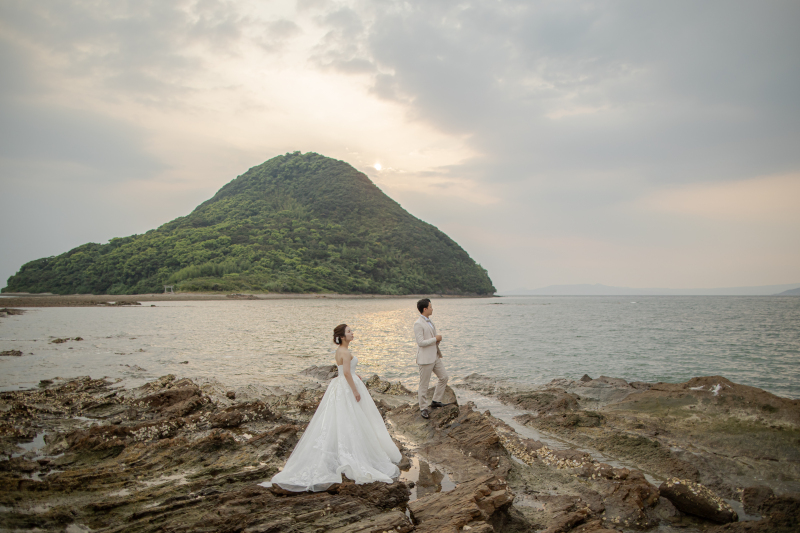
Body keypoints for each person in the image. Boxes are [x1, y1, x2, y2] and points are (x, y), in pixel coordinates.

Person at [262, 324, 402, 492]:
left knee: (343, 419)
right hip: (347, 386)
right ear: (342, 336)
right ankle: (354, 452)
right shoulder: (345, 351)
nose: (352, 333)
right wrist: (355, 390)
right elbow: (347, 373)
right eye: (349, 331)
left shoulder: (340, 351)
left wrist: (355, 375)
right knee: (352, 418)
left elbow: (345, 370)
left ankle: (342, 449)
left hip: (340, 385)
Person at [414, 298, 449, 419]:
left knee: (444, 377)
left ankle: (435, 400)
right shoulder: (418, 323)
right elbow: (420, 342)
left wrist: (436, 341)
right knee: (424, 384)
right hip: (425, 359)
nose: (432, 308)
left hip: (435, 356)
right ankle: (423, 408)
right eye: (430, 306)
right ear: (425, 309)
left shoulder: (429, 321)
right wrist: (436, 339)